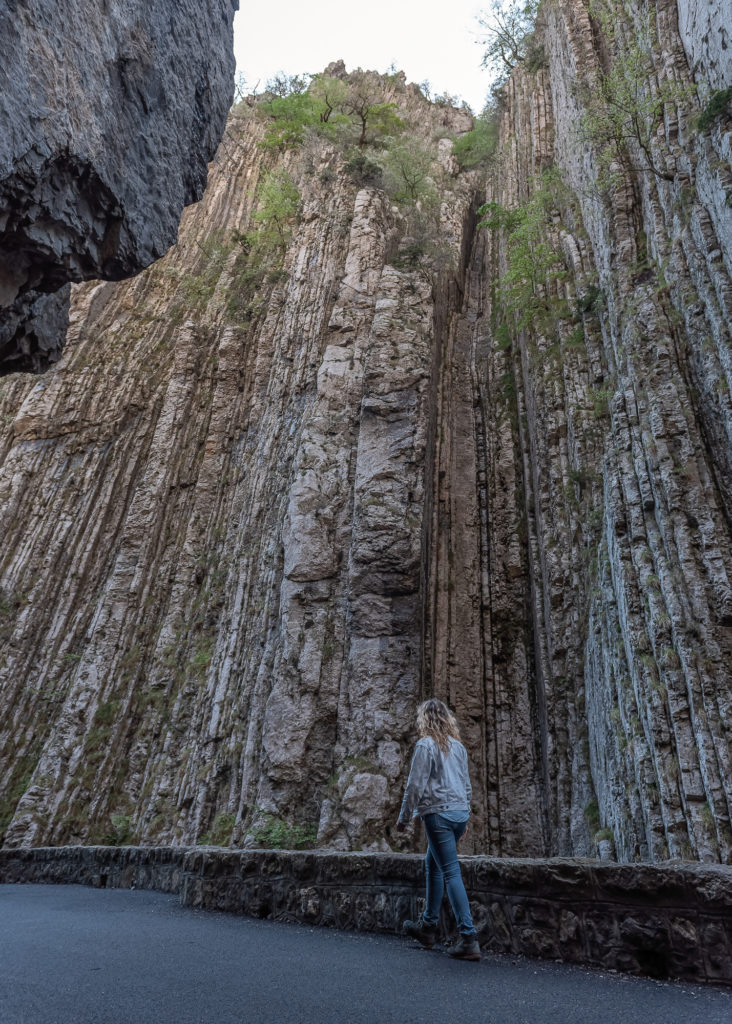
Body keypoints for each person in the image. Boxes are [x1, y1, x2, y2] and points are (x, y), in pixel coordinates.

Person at [396, 698, 480, 961]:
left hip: (439, 815)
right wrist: (465, 820)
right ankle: (428, 927)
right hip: (458, 813)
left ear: (425, 719)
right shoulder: (458, 747)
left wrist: (404, 818)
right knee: (433, 866)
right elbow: (466, 785)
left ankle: (468, 937)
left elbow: (415, 785)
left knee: (450, 872)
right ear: (447, 718)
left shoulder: (425, 745)